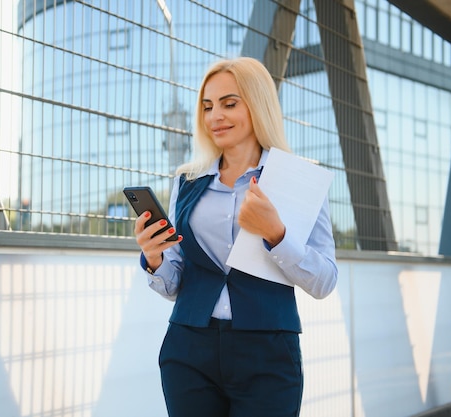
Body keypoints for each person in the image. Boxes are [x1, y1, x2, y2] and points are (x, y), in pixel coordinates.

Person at [133, 57, 338, 417]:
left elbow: (324, 281)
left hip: (268, 352)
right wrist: (154, 258)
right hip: (188, 348)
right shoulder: (187, 183)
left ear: (257, 104)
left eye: (229, 103)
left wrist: (276, 234)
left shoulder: (298, 181)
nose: (215, 116)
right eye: (208, 106)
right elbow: (174, 281)